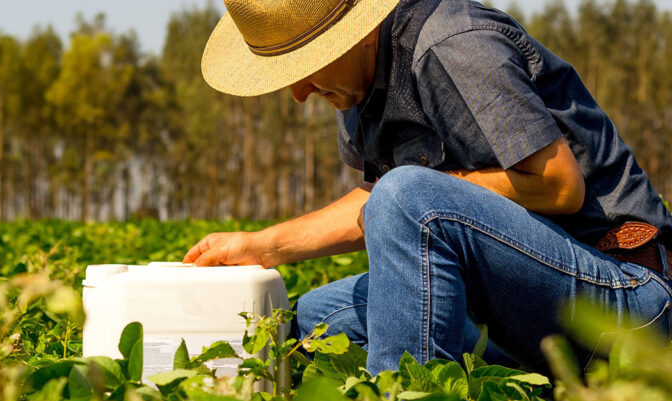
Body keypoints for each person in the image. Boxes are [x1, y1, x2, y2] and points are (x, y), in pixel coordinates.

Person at [184, 0, 672, 374]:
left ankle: (410, 394)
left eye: (304, 67)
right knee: (318, 320)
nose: (298, 93)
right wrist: (260, 246)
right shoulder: (355, 85)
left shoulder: (454, 43)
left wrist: (422, 190)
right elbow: (382, 199)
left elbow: (559, 188)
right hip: (521, 309)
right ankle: (519, 379)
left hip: (623, 297)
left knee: (407, 195)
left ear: (354, 35)